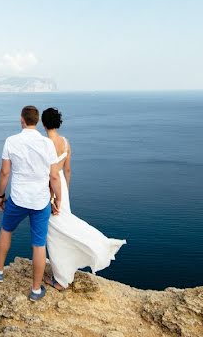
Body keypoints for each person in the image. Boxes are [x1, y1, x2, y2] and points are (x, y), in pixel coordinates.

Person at [42, 107, 126, 290]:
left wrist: (52, 196)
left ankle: (61, 279)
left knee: (54, 232)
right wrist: (64, 193)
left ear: (43, 123)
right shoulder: (65, 142)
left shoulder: (44, 143)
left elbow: (48, 174)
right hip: (62, 186)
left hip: (50, 188)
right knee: (64, 225)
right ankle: (69, 268)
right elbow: (67, 170)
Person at [0, 105, 62, 301]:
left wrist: (0, 196)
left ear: (22, 120)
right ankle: (36, 290)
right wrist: (58, 200)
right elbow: (54, 177)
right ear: (37, 121)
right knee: (39, 245)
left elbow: (5, 173)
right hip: (40, 201)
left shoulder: (11, 141)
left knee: (6, 230)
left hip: (17, 198)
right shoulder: (47, 144)